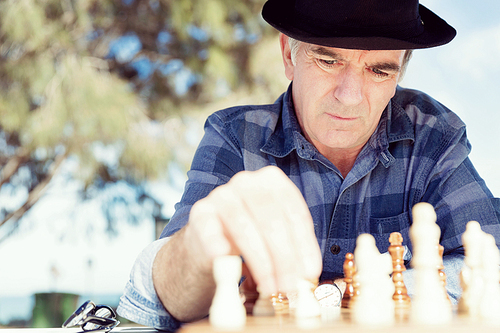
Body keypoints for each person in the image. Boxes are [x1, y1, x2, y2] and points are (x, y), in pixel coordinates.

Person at [117, 0, 500, 331]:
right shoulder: (235, 137)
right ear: (288, 55)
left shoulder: (433, 134)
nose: (350, 97)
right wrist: (198, 247)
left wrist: (344, 292)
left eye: (380, 70)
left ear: (400, 70)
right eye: (328, 60)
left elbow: (491, 263)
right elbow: (159, 301)